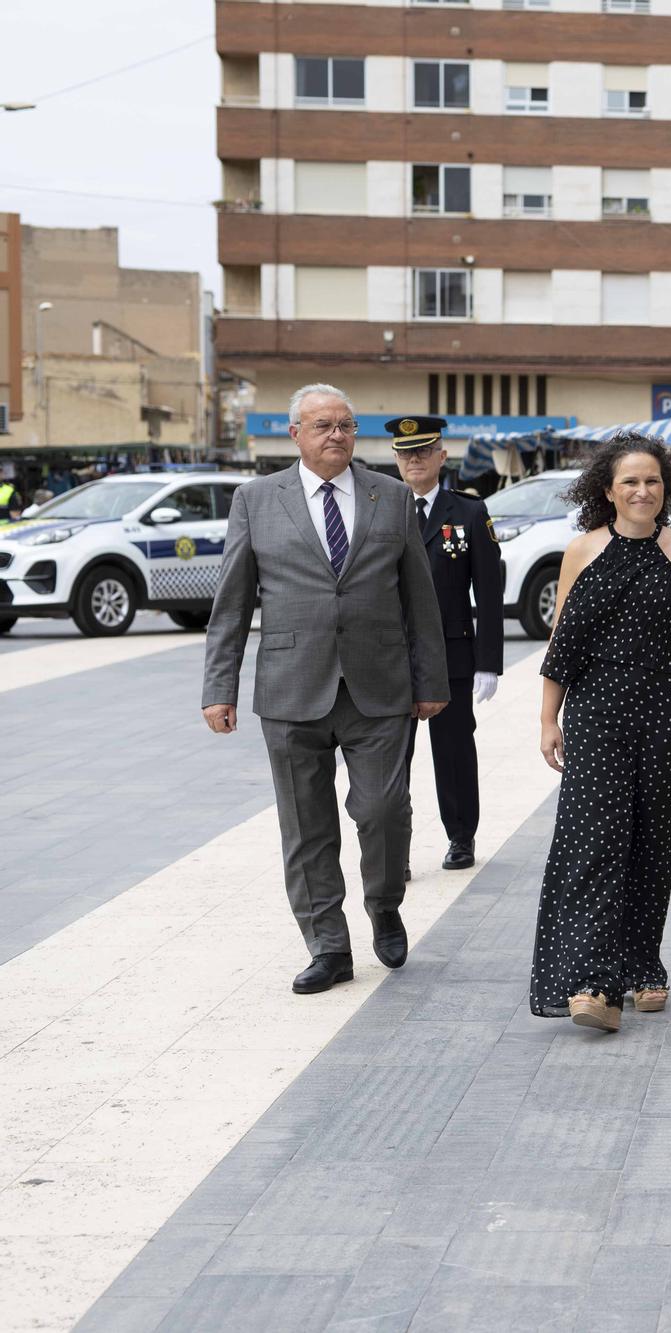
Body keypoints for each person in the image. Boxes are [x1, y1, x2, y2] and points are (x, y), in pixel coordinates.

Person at [201, 383, 449, 995]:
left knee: (383, 810)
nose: (336, 434)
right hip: (291, 688)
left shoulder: (391, 496)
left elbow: (420, 599)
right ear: (295, 434)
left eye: (345, 425)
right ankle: (329, 947)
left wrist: (431, 680)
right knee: (306, 826)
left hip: (379, 686)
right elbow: (232, 602)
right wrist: (219, 686)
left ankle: (384, 905)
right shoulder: (256, 499)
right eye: (322, 425)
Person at [532, 435, 671, 1032]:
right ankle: (593, 982)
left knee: (652, 845)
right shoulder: (581, 551)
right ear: (608, 491)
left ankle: (643, 965)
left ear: (666, 488)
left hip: (669, 716)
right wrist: (548, 717)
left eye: (653, 481)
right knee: (594, 845)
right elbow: (563, 642)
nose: (643, 491)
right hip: (597, 716)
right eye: (631, 482)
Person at [391, 415, 503, 872]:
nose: (414, 460)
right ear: (396, 460)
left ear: (442, 456)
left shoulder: (469, 512)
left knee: (454, 752)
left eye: (423, 451)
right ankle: (393, 851)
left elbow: (489, 590)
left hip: (451, 654)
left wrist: (488, 661)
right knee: (390, 759)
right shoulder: (382, 508)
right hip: (392, 655)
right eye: (405, 453)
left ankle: (461, 837)